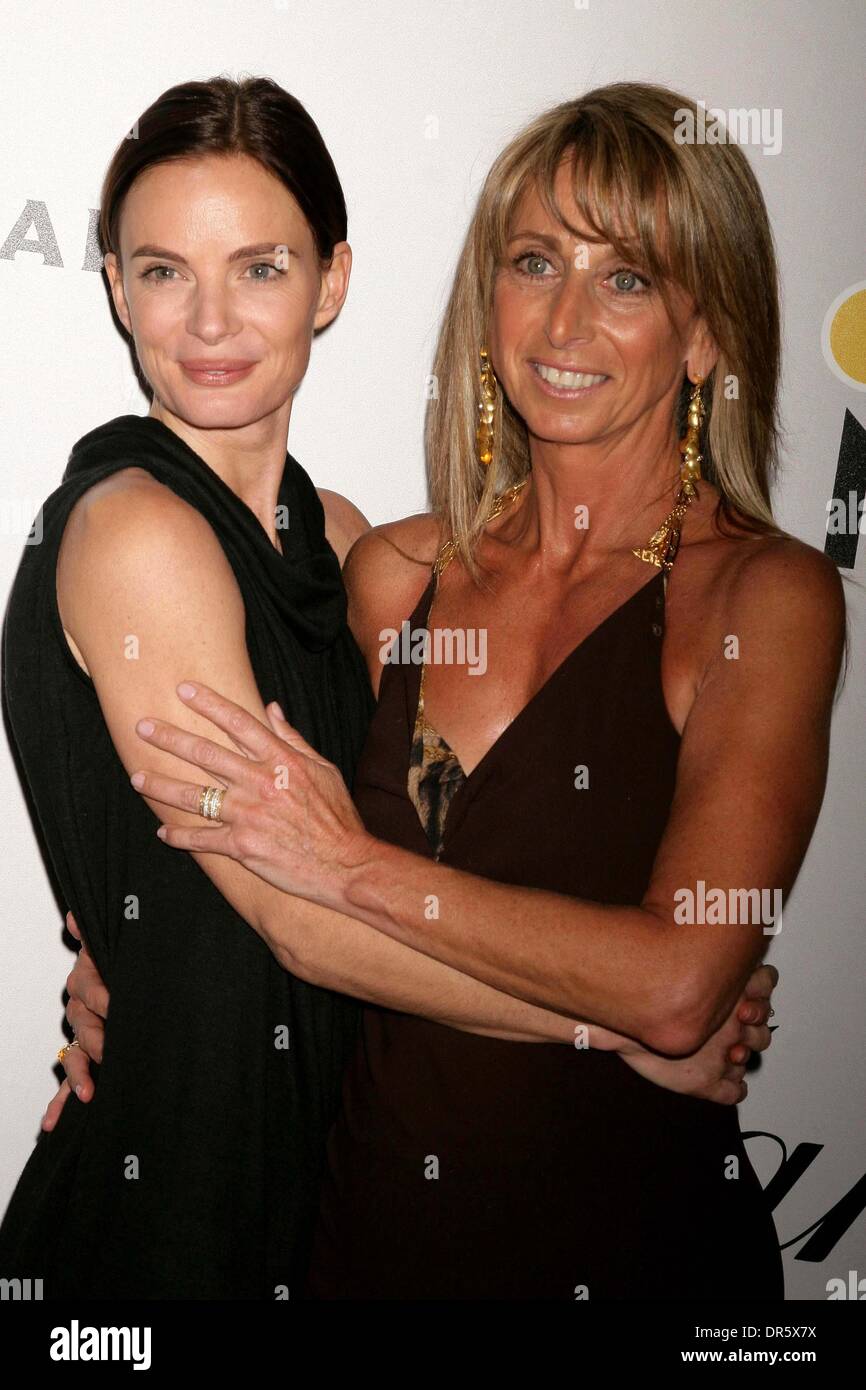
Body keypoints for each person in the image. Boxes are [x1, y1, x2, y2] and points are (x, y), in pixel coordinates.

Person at [41, 82, 835, 1300]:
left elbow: (665, 971)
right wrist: (617, 1025)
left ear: (705, 327)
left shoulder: (741, 597)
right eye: (533, 260)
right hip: (329, 1228)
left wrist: (652, 994)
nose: (565, 320)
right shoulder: (373, 573)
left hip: (618, 1242)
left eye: (625, 277)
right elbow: (291, 916)